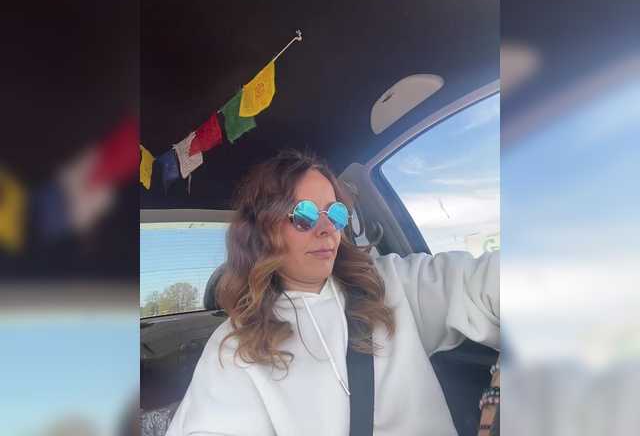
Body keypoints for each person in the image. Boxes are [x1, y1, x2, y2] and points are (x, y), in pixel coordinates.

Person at [165, 149, 499, 436]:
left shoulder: (392, 284)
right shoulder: (237, 347)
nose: (326, 229)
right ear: (263, 231)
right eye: (304, 216)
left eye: (336, 213)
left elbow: (485, 281)